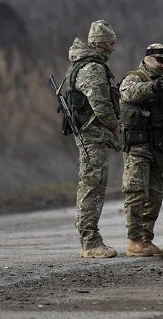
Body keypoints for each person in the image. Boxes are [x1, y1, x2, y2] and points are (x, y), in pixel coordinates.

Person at [65, 20, 120, 258]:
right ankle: (90, 242)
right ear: (101, 43)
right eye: (110, 41)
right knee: (92, 187)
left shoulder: (82, 64)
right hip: (92, 135)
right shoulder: (93, 68)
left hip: (92, 134)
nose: (113, 46)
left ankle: (90, 240)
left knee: (92, 185)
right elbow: (100, 104)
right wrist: (115, 126)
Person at [119, 43, 163, 258]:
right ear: (147, 59)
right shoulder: (135, 78)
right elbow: (128, 94)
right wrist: (151, 88)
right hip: (138, 145)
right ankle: (134, 240)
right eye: (159, 60)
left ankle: (146, 238)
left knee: (156, 192)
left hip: (160, 147)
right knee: (136, 191)